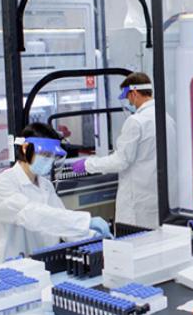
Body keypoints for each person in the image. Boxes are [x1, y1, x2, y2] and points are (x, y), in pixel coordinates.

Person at [0, 122, 111, 261]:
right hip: (6, 269)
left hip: (39, 264)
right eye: (45, 154)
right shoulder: (4, 183)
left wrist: (93, 236)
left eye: (52, 156)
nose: (50, 161)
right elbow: (32, 214)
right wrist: (86, 222)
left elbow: (60, 221)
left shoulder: (45, 185)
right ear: (26, 148)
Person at [71, 72, 166, 229]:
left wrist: (88, 164)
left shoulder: (136, 121)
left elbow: (120, 161)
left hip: (137, 204)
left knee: (133, 246)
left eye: (127, 97)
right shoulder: (165, 117)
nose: (128, 102)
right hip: (157, 200)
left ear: (134, 93)